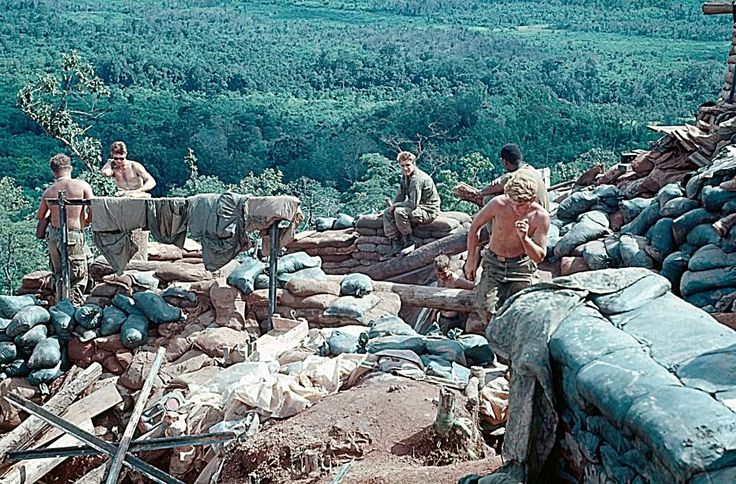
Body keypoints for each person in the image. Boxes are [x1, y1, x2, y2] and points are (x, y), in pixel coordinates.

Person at [465, 171, 550, 331]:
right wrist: (471, 259)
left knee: (524, 309)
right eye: (512, 203)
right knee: (485, 308)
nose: (515, 208)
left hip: (521, 266)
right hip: (494, 263)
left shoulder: (540, 217)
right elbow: (475, 227)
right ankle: (497, 339)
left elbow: (539, 257)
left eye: (520, 205)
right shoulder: (498, 204)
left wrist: (524, 239)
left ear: (531, 199)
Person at [35, 154, 94, 304]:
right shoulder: (82, 186)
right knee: (77, 273)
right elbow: (95, 207)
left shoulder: (48, 192)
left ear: (53, 172)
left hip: (54, 234)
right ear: (71, 168)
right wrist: (87, 220)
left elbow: (40, 215)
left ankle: (60, 302)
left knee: (58, 272)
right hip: (73, 233)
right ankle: (74, 306)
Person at [101, 141, 156, 260]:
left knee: (138, 234)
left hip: (138, 197)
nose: (119, 161)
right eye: (116, 158)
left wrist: (138, 191)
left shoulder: (134, 166)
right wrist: (109, 163)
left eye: (121, 158)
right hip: (122, 201)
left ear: (126, 155)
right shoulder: (113, 167)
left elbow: (151, 181)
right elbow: (104, 174)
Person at [383, 151, 441, 257]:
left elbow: (413, 204)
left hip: (428, 209)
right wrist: (392, 206)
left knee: (399, 212)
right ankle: (395, 241)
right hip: (418, 207)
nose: (405, 168)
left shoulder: (417, 180)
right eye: (402, 166)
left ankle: (409, 240)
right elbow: (400, 195)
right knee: (387, 212)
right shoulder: (405, 177)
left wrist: (395, 206)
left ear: (414, 164)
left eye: (408, 165)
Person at [478, 143, 549, 210]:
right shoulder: (530, 169)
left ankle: (495, 223)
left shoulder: (513, 177)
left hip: (531, 217)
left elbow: (483, 192)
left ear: (505, 162)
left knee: (488, 198)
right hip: (543, 214)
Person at [433, 254, 475, 333]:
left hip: (454, 319)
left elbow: (473, 287)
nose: (442, 277)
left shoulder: (455, 280)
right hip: (442, 317)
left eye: (444, 274)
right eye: (439, 275)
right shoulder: (440, 280)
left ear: (449, 268)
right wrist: (434, 313)